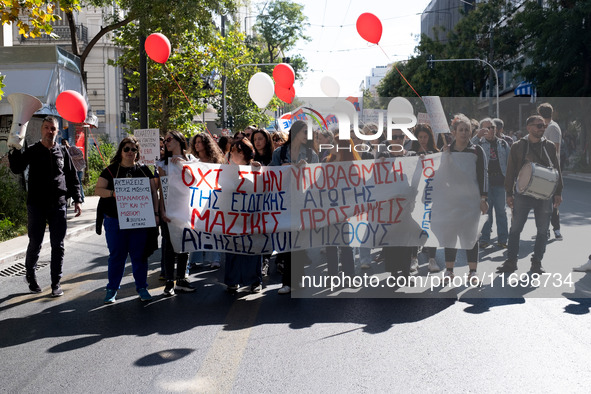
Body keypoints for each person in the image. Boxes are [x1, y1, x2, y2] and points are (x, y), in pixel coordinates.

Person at [8, 116, 82, 297]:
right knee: (35, 243)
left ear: (57, 131)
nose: (50, 131)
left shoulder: (62, 151)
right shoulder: (33, 150)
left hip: (58, 205)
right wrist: (14, 149)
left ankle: (56, 282)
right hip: (37, 205)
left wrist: (77, 198)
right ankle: (30, 276)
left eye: (53, 129)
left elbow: (71, 176)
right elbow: (17, 168)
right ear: (42, 130)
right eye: (47, 128)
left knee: (59, 245)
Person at [496, 115, 563, 275]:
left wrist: (558, 192)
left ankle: (536, 263)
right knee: (515, 229)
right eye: (538, 126)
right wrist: (509, 193)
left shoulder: (550, 147)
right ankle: (511, 261)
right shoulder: (518, 146)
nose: (542, 128)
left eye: (543, 126)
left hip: (544, 195)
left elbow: (557, 170)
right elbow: (510, 171)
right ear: (529, 127)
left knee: (542, 231)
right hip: (523, 194)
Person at [95, 136, 158, 303]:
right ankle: (112, 289)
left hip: (139, 221)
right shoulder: (110, 170)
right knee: (117, 255)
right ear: (121, 151)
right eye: (127, 149)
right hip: (115, 220)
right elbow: (98, 189)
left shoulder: (144, 170)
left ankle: (142, 287)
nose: (130, 152)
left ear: (137, 153)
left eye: (133, 149)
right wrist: (112, 193)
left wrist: (156, 213)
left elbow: (153, 192)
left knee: (139, 256)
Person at [270, 120, 319, 294]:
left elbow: (316, 177)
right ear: (296, 132)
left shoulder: (311, 154)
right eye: (305, 132)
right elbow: (271, 173)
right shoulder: (280, 152)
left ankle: (296, 279)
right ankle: (288, 282)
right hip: (284, 202)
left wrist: (308, 170)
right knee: (289, 242)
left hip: (303, 202)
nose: (308, 136)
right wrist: (284, 168)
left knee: (299, 242)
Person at [442, 114, 489, 284]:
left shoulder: (477, 150)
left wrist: (484, 198)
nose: (464, 133)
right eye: (460, 130)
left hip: (472, 200)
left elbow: (483, 174)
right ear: (454, 132)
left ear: (471, 132)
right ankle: (449, 270)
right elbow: (440, 175)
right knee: (451, 235)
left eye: (467, 130)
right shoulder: (446, 151)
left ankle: (473, 271)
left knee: (471, 236)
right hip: (451, 201)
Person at [158, 131, 197, 296]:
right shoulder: (162, 164)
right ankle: (169, 281)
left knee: (184, 245)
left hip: (186, 209)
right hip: (170, 210)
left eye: (169, 139)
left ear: (180, 140)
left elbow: (196, 181)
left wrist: (183, 165)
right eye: (165, 140)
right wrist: (162, 210)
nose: (166, 142)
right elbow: (162, 189)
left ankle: (181, 279)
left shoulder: (192, 161)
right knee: (168, 246)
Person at [224, 138, 263, 294]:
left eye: (237, 150)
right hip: (231, 215)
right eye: (232, 149)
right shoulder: (225, 169)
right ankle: (233, 280)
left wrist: (258, 173)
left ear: (245, 153)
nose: (233, 152)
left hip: (251, 214)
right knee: (232, 248)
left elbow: (261, 189)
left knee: (253, 247)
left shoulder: (254, 168)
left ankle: (254, 280)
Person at [188, 132, 226, 269]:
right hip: (197, 201)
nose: (197, 144)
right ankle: (193, 259)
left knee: (214, 230)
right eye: (195, 142)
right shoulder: (193, 162)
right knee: (195, 229)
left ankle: (215, 258)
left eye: (200, 142)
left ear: (207, 144)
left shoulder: (216, 162)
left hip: (214, 200)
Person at [472, 118, 511, 249]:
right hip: (485, 183)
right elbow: (467, 148)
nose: (490, 130)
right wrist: (477, 136)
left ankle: (503, 239)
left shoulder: (503, 144)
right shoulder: (479, 144)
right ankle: (485, 238)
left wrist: (511, 183)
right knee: (486, 212)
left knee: (501, 212)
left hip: (500, 182)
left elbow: (510, 164)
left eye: (493, 127)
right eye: (487, 128)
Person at [409, 123, 439, 273]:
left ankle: (432, 259)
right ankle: (414, 258)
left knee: (430, 227)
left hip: (430, 196)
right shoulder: (410, 154)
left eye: (425, 137)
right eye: (420, 137)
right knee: (415, 227)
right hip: (415, 197)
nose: (422, 140)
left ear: (430, 137)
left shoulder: (436, 152)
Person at [537, 103, 563, 240]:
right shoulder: (544, 127)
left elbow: (555, 149)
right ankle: (544, 229)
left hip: (551, 170)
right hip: (542, 170)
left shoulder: (553, 128)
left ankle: (556, 229)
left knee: (552, 201)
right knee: (542, 202)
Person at [61, 139, 86, 203]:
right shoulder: (63, 151)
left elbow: (81, 155)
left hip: (79, 168)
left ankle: (81, 198)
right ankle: (76, 198)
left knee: (78, 183)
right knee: (73, 184)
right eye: (63, 143)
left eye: (65, 142)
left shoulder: (73, 148)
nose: (64, 144)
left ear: (67, 142)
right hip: (72, 170)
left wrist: (71, 157)